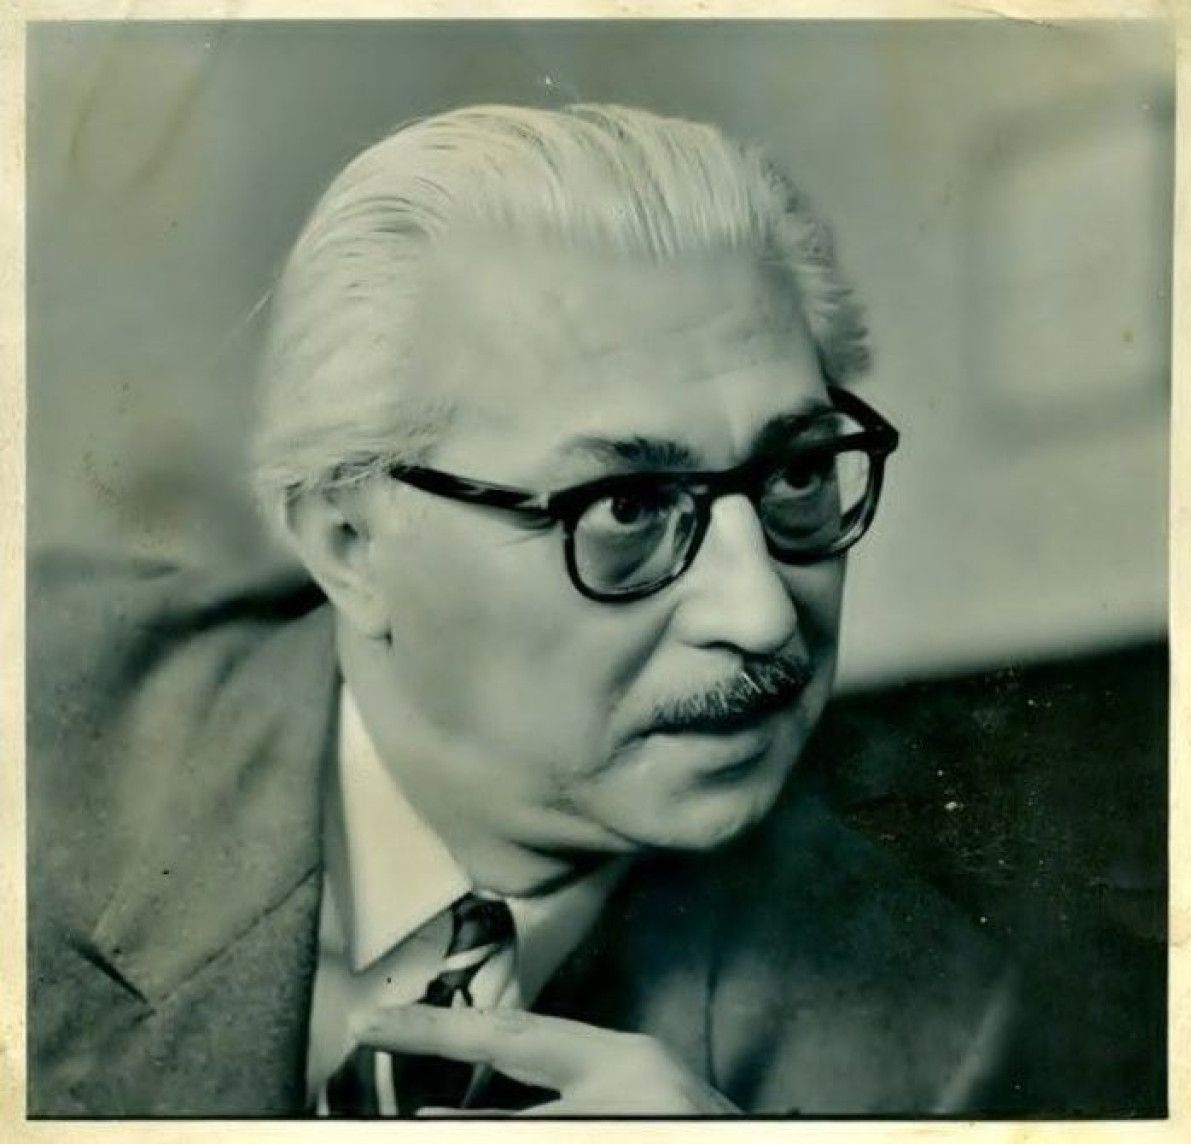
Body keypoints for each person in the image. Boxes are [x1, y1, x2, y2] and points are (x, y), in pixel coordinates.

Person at [28, 103, 1020, 1117]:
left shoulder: (924, 1046)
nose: (762, 615)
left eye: (798, 473)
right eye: (627, 507)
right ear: (351, 545)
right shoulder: (38, 721)